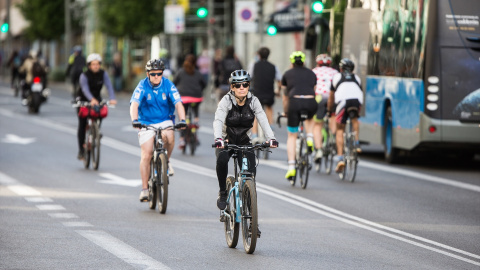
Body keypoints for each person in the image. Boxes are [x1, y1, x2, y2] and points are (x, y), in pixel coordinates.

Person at [213, 69, 278, 210]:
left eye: (245, 84)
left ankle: (251, 221)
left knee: (250, 177)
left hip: (244, 141)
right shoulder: (226, 101)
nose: (241, 88)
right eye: (237, 85)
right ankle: (223, 192)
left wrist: (271, 138)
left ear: (248, 86)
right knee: (222, 160)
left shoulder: (254, 101)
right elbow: (218, 120)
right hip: (226, 140)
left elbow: (262, 118)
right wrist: (218, 138)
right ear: (232, 87)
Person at [130, 59, 187, 202]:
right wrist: (135, 120)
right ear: (148, 74)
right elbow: (134, 104)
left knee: (169, 135)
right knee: (147, 154)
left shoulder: (168, 84)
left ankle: (166, 161)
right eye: (153, 74)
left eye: (159, 73)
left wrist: (183, 120)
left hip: (164, 119)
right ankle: (144, 189)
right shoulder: (142, 85)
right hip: (145, 122)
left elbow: (178, 103)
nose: (156, 76)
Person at [281, 51, 317, 182]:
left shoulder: (287, 74)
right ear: (304, 62)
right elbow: (314, 90)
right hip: (311, 102)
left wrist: (286, 112)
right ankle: (310, 138)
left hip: (294, 103)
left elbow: (285, 98)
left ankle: (291, 167)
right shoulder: (312, 73)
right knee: (310, 117)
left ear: (292, 62)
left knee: (292, 136)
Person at [76, 53, 117, 159]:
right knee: (82, 123)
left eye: (97, 64)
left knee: (100, 112)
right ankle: (81, 149)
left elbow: (109, 86)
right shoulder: (84, 75)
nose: (95, 66)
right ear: (89, 65)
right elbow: (84, 89)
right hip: (84, 99)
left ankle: (96, 131)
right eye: (93, 64)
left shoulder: (103, 74)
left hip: (96, 99)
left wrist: (112, 98)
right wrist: (91, 99)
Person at [328, 58, 363, 173]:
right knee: (354, 120)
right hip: (356, 101)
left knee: (340, 129)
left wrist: (330, 109)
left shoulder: (336, 77)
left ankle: (340, 158)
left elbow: (331, 96)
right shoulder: (357, 78)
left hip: (343, 102)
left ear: (341, 68)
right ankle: (356, 142)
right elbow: (360, 92)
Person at [173, 54, 207, 149]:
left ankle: (182, 139)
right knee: (195, 108)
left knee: (183, 116)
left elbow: (174, 83)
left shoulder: (180, 72)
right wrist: (199, 90)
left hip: (183, 97)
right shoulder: (197, 73)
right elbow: (204, 84)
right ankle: (196, 121)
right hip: (196, 97)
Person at [249, 47, 282, 141]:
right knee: (269, 107)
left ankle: (255, 135)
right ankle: (271, 127)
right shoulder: (273, 66)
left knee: (255, 113)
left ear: (258, 55)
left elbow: (249, 77)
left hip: (257, 92)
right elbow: (279, 80)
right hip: (269, 93)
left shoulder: (254, 65)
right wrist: (278, 91)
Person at [312, 54, 339, 163]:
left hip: (319, 97)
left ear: (318, 63)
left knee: (317, 125)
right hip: (333, 98)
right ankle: (333, 138)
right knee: (333, 118)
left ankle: (318, 150)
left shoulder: (314, 71)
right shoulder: (335, 72)